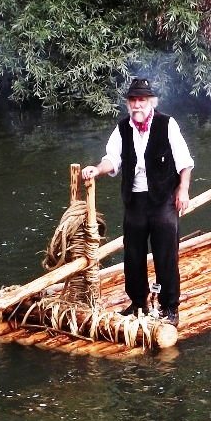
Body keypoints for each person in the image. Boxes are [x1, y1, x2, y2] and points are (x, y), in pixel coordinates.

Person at [81, 77, 194, 325]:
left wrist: (183, 190)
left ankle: (169, 307)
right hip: (135, 199)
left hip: (163, 198)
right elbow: (112, 159)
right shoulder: (122, 129)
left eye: (142, 100)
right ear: (128, 104)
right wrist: (97, 170)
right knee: (133, 255)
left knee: (165, 253)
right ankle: (138, 303)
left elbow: (185, 162)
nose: (137, 105)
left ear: (151, 102)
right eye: (133, 100)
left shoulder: (167, 124)